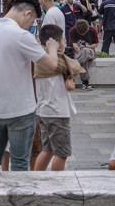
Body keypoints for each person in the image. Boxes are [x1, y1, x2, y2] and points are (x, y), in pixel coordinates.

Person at [0, 0, 59, 171]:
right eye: (31, 22)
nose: (29, 27)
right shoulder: (22, 36)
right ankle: (19, 198)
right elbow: (52, 65)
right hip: (21, 110)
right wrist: (52, 47)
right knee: (20, 163)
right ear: (27, 13)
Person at [33, 24, 81, 171]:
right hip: (57, 111)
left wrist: (69, 77)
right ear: (55, 42)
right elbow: (75, 65)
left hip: (44, 111)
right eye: (63, 40)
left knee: (47, 150)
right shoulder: (54, 59)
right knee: (61, 153)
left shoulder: (39, 57)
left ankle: (36, 179)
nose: (64, 44)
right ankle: (56, 184)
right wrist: (53, 49)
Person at [68, 19, 99, 90]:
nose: (82, 35)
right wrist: (78, 49)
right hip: (78, 52)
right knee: (84, 59)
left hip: (90, 51)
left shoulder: (93, 30)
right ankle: (85, 82)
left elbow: (95, 44)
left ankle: (71, 70)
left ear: (88, 27)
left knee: (85, 51)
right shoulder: (72, 31)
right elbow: (74, 44)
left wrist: (88, 46)